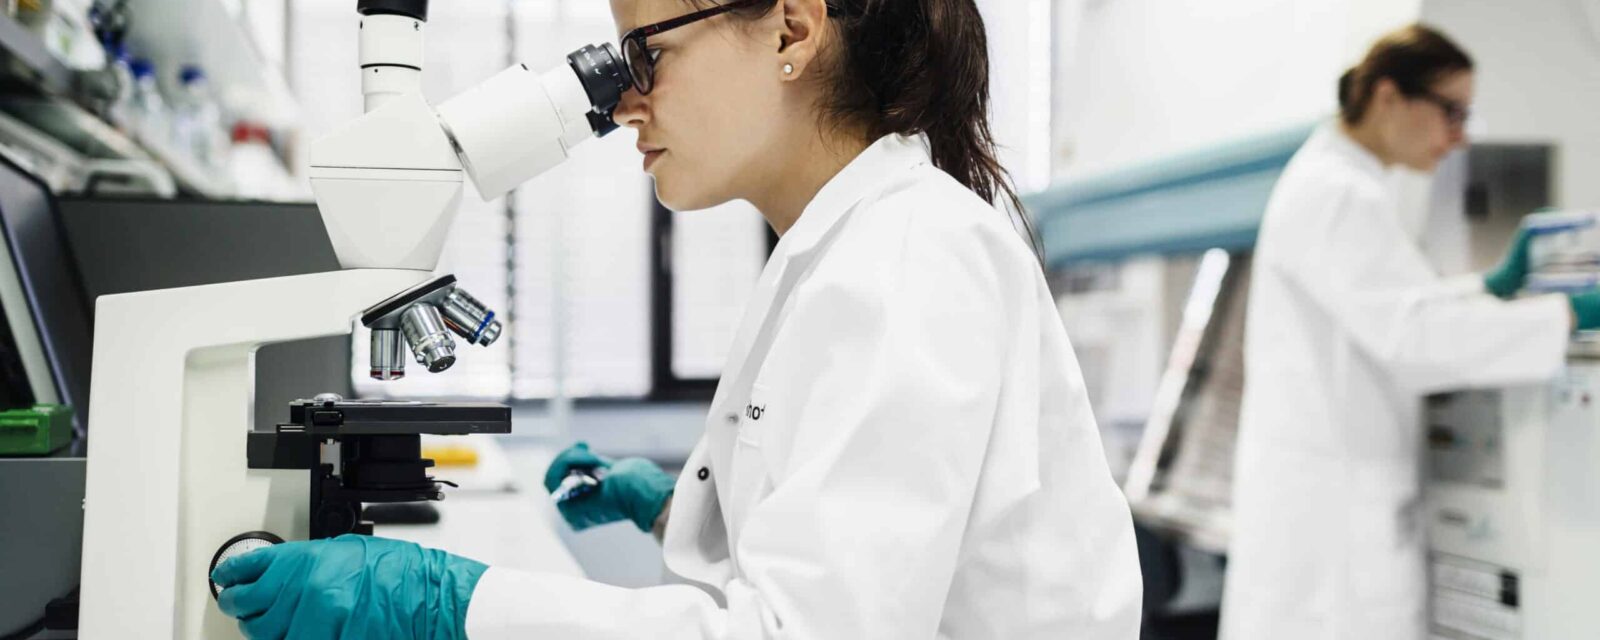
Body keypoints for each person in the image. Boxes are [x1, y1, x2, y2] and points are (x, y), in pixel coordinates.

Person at [209, 0, 1145, 637]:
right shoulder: (845, 245)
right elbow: (853, 550)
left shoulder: (907, 259)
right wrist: (685, 511)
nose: (623, 104)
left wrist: (455, 606)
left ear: (792, 27)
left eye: (647, 52)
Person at [1219, 24, 1600, 639]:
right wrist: (1569, 317)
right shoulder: (1337, 194)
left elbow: (1388, 313)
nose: (1460, 137)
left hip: (1331, 528)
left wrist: (1487, 288)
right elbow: (1415, 341)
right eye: (1452, 111)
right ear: (1388, 96)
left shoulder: (1339, 185)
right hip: (1334, 549)